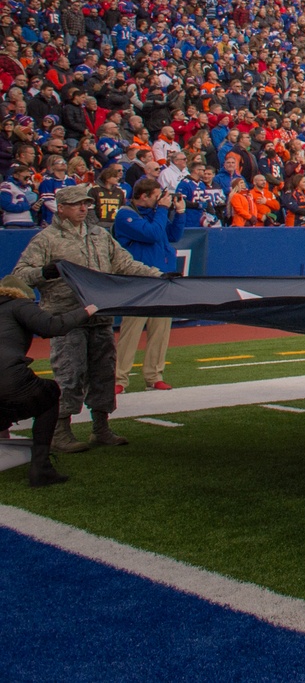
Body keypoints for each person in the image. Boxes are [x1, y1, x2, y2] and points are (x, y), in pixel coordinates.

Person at [6, 183, 161, 453]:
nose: (83, 208)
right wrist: (45, 272)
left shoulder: (100, 235)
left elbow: (124, 263)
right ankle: (59, 431)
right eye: (77, 204)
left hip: (100, 315)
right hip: (66, 318)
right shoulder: (47, 239)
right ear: (61, 208)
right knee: (70, 374)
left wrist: (157, 276)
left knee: (103, 374)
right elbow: (19, 274)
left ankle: (101, 428)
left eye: (86, 203)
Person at [1, 281, 99, 486]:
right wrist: (86, 311)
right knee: (48, 394)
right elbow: (52, 326)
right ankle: (41, 467)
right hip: (8, 379)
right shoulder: (19, 304)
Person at [112, 177, 185, 393]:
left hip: (162, 277)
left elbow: (173, 235)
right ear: (143, 196)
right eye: (156, 197)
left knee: (160, 328)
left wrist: (179, 214)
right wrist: (162, 210)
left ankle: (154, 375)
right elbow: (151, 233)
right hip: (139, 278)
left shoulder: (155, 215)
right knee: (131, 329)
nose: (159, 201)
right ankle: (119, 378)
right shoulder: (126, 214)